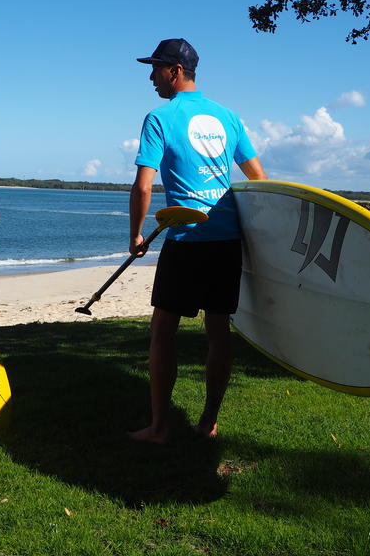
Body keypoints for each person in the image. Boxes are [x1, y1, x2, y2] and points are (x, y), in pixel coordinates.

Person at [128, 38, 267, 444]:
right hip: (226, 238)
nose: (151, 77)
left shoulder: (160, 117)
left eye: (156, 68)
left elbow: (143, 186)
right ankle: (208, 422)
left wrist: (136, 234)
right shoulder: (228, 117)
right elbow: (259, 179)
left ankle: (159, 428)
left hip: (187, 239)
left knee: (162, 330)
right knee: (218, 330)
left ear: (174, 71)